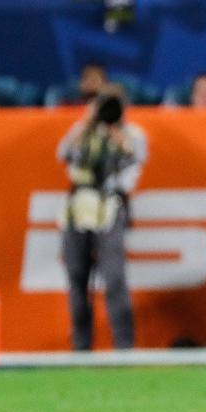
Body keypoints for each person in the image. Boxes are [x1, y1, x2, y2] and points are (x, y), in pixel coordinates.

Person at [56, 85, 148, 350]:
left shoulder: (132, 134)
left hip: (110, 207)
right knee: (76, 279)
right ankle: (81, 347)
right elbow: (62, 153)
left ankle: (123, 346)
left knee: (114, 278)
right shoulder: (82, 130)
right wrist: (87, 122)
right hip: (78, 207)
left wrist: (116, 135)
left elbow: (137, 158)